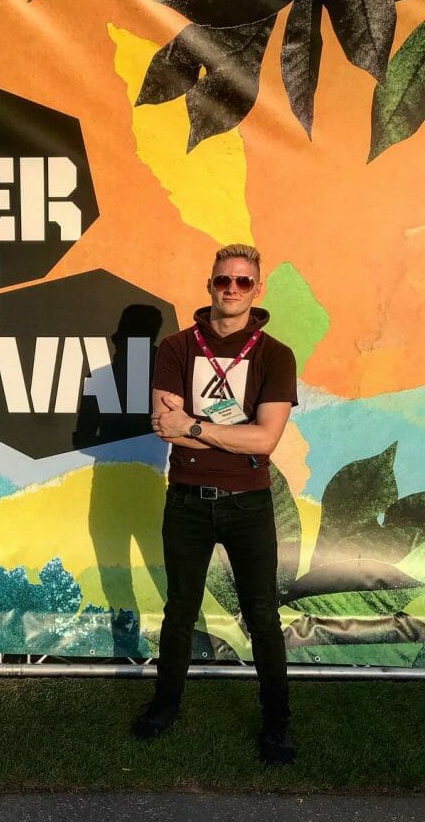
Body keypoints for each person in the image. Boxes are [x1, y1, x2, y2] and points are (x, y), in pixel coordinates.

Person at [131, 243, 297, 766]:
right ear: (209, 285)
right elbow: (167, 429)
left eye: (243, 281)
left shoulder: (275, 355)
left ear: (257, 289)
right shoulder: (177, 348)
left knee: (262, 615)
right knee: (180, 610)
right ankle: (165, 705)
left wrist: (197, 428)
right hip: (186, 501)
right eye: (223, 279)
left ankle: (277, 722)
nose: (232, 288)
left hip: (249, 503)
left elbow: (266, 440)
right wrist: (230, 436)